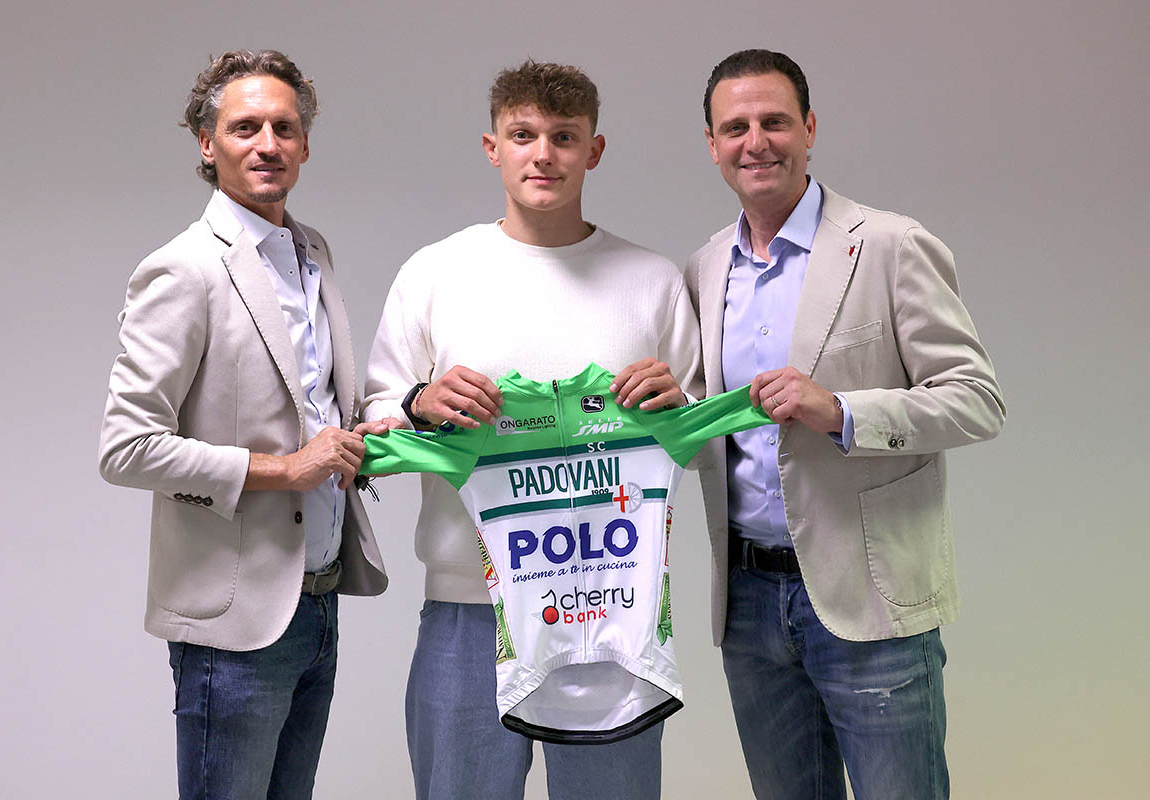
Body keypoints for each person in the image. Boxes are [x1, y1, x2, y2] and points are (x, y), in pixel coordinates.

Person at [363, 59, 700, 800]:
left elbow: (703, 443)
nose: (543, 154)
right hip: (467, 613)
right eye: (523, 135)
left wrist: (678, 409)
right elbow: (370, 425)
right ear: (493, 147)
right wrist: (417, 402)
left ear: (594, 150)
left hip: (609, 609)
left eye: (564, 137)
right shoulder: (435, 273)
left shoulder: (652, 282)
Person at [684, 49, 1005, 799]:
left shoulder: (891, 245)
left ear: (809, 128)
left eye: (774, 122)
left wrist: (843, 412)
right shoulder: (704, 267)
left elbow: (977, 399)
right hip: (748, 604)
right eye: (735, 127)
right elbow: (708, 429)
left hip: (869, 597)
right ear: (712, 144)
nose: (756, 143)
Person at [98, 49, 393, 800]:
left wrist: (389, 424)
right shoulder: (184, 269)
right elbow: (127, 447)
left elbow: (320, 409)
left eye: (284, 128)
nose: (268, 144)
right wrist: (285, 469)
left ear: (305, 144)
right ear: (208, 144)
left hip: (319, 597)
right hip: (233, 620)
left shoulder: (312, 252)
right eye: (245, 127)